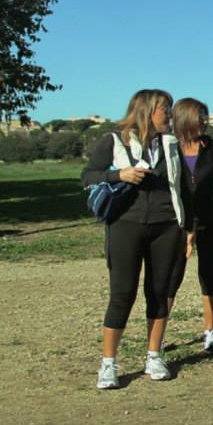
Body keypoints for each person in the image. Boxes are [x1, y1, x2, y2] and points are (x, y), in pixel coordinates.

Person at [82, 89, 192, 389]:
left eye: (169, 109)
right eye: (164, 109)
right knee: (122, 293)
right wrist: (120, 176)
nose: (169, 114)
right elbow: (88, 176)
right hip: (125, 225)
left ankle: (154, 355)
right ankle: (108, 363)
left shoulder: (170, 144)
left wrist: (188, 228)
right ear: (146, 111)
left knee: (159, 293)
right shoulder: (114, 140)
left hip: (167, 226)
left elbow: (183, 188)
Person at [168, 98, 213, 352]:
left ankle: (210, 332)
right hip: (177, 223)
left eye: (205, 117)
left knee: (208, 274)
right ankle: (158, 333)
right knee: (170, 277)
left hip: (209, 221)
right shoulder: (169, 148)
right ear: (185, 118)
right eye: (200, 117)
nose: (205, 122)